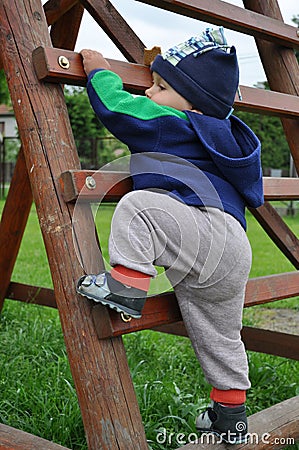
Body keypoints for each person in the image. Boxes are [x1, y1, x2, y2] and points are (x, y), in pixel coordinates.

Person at [76, 27, 264, 444]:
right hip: (232, 247)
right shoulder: (225, 136)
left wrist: (98, 69)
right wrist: (164, 78)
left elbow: (118, 108)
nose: (149, 94)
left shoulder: (174, 121)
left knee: (137, 208)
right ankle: (230, 413)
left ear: (191, 102)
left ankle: (127, 286)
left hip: (200, 229)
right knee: (220, 333)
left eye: (160, 87)